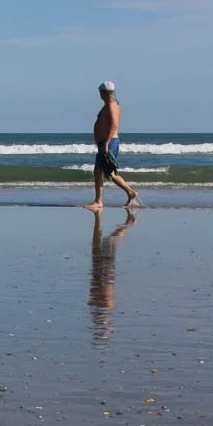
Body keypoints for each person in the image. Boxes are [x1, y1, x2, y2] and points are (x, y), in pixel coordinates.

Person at [88, 81, 140, 211]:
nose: (99, 94)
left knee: (106, 173)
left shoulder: (112, 106)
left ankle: (101, 200)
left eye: (100, 92)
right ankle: (126, 193)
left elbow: (114, 126)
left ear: (104, 92)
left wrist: (106, 143)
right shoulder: (110, 104)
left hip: (109, 142)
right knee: (100, 172)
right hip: (106, 142)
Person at [87, 207, 136, 345]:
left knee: (108, 242)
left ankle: (127, 225)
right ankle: (125, 225)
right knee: (105, 243)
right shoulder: (103, 302)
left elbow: (101, 299)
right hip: (102, 271)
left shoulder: (103, 302)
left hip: (103, 271)